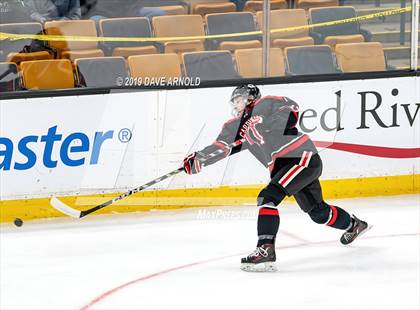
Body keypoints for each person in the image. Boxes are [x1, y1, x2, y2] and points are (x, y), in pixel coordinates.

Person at [182, 84, 371, 272]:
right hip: (284, 167)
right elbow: (222, 147)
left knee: (268, 197)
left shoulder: (266, 103)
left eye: (239, 99)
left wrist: (270, 122)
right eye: (235, 101)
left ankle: (266, 248)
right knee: (318, 213)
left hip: (300, 157)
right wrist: (199, 159)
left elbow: (291, 109)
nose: (236, 104)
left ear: (250, 97)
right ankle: (354, 225)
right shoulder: (233, 127)